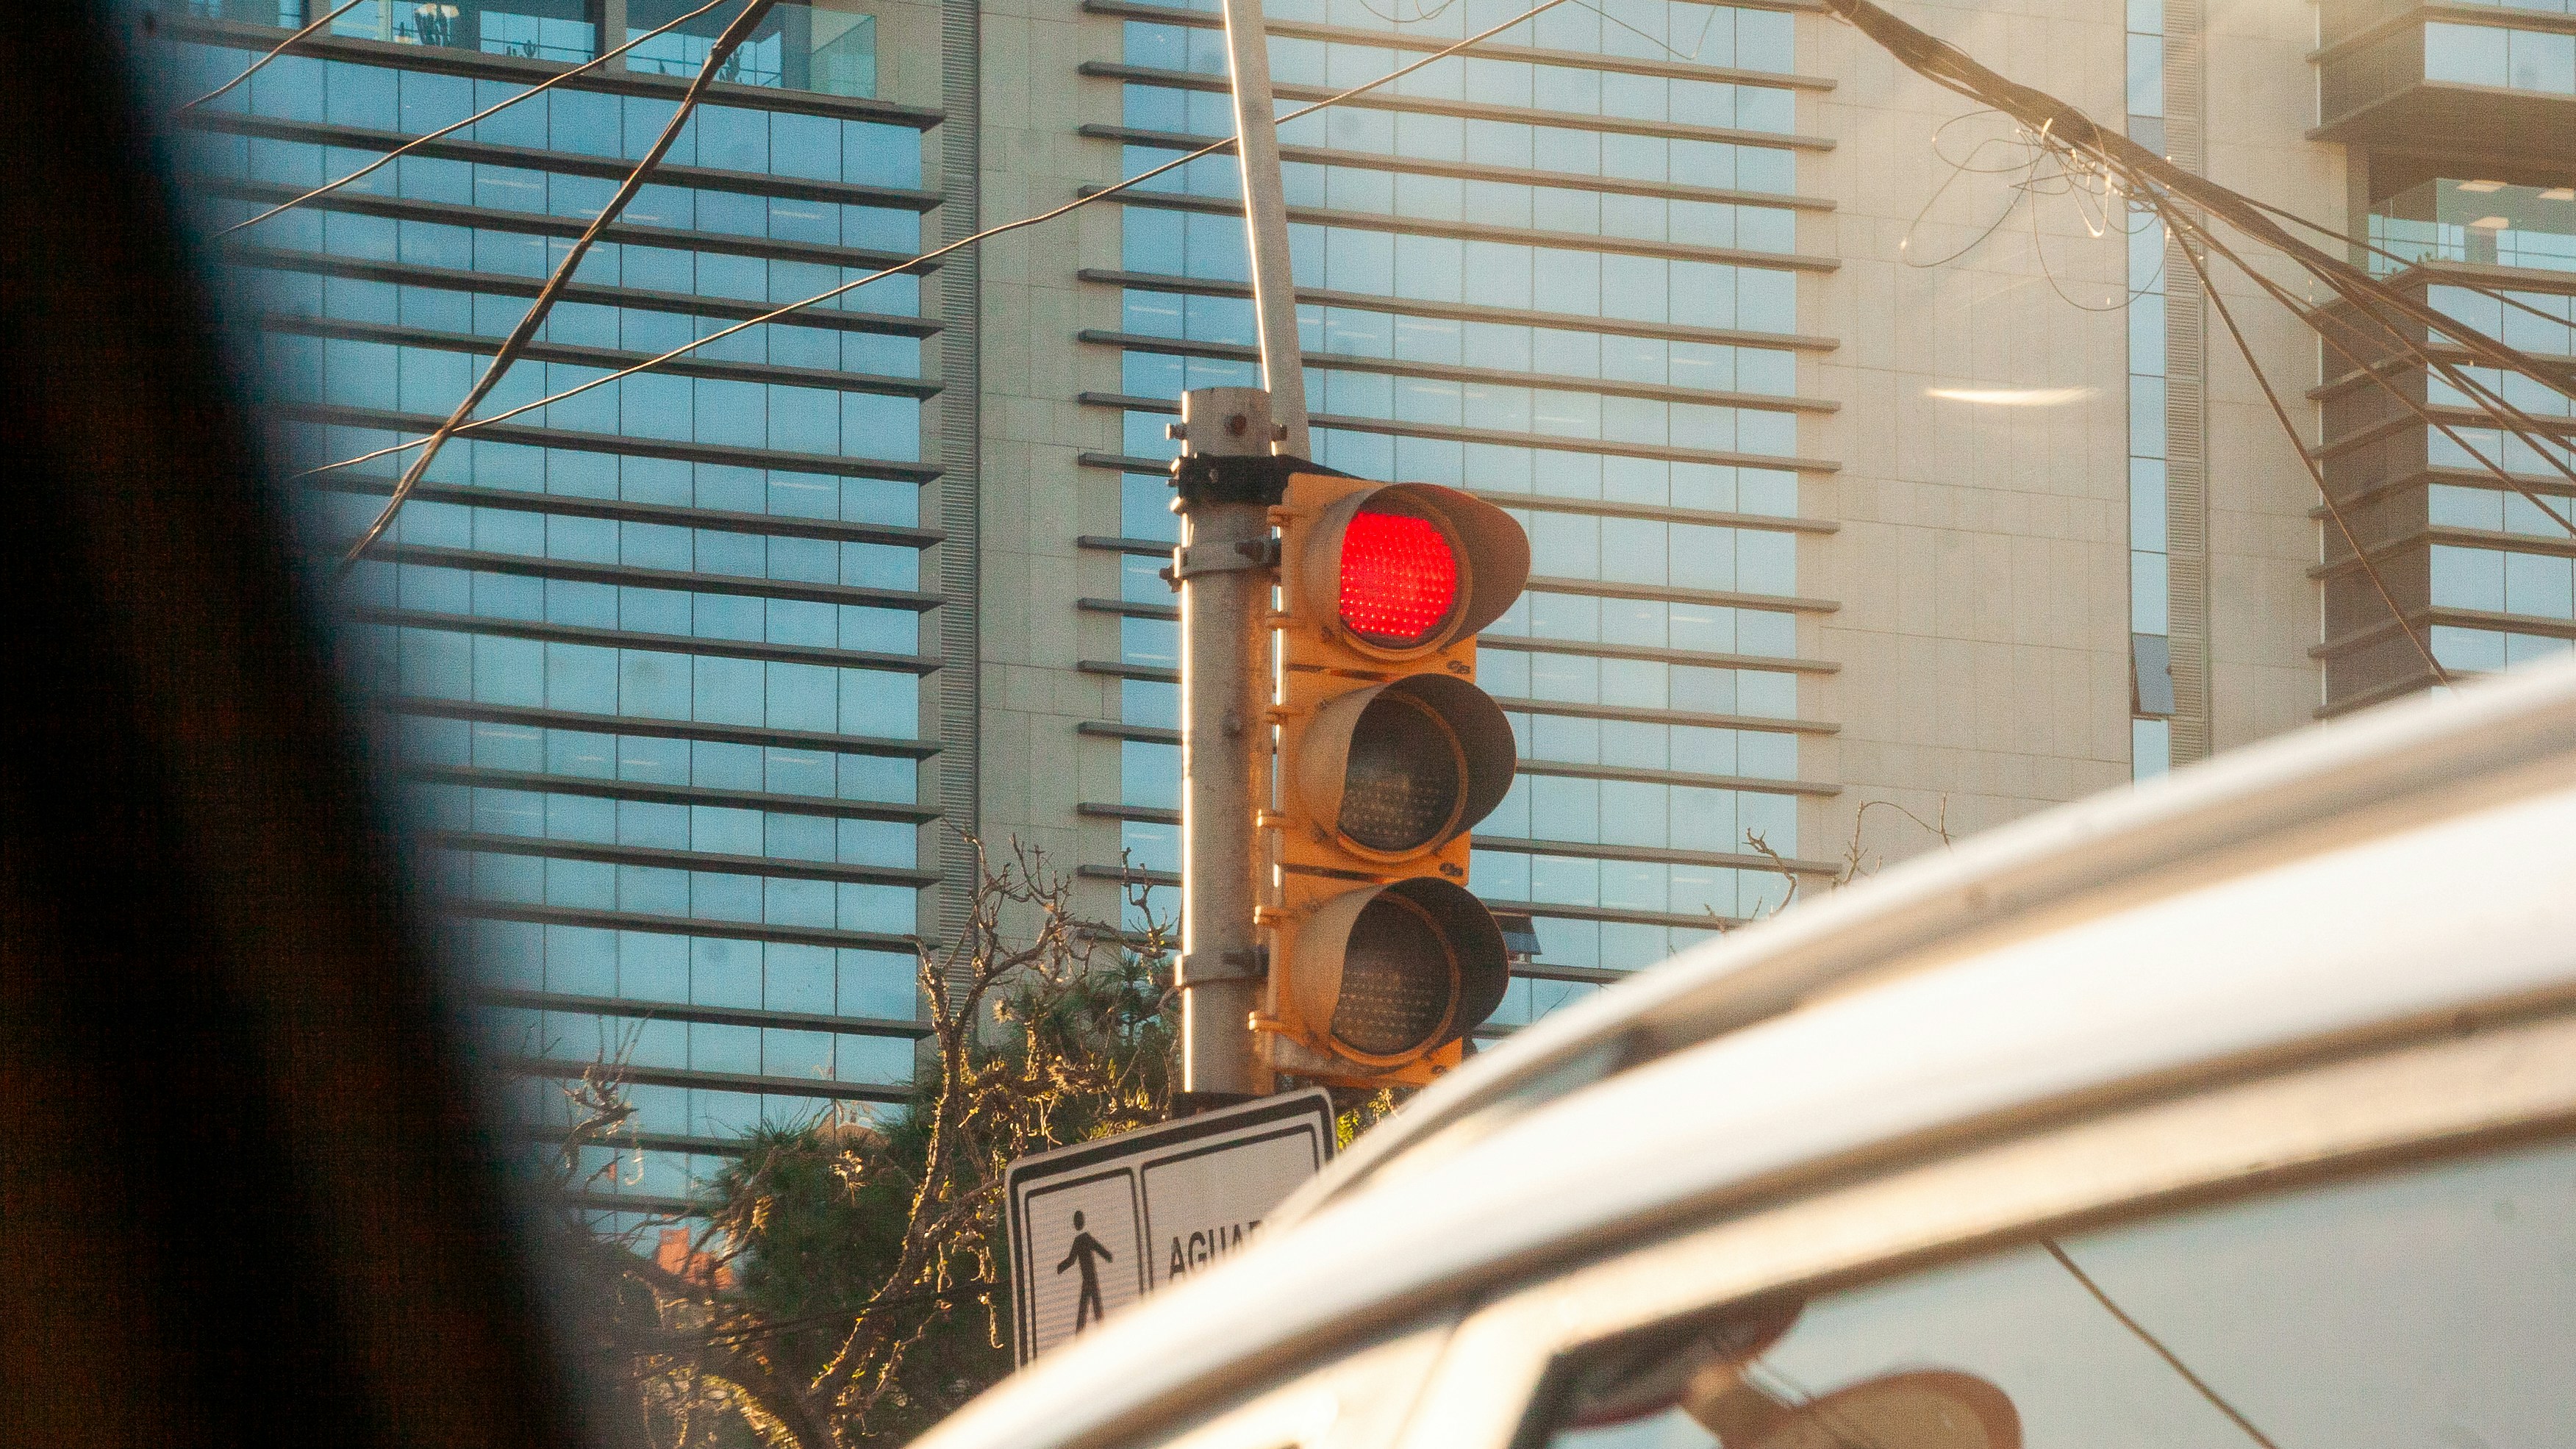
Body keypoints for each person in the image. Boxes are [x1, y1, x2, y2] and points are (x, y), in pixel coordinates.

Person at [1057, 1210, 1115, 1332]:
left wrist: (1060, 1268)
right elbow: (1099, 1249)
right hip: (1090, 1279)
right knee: (1092, 1307)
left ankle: (1083, 1333)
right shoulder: (1084, 1239)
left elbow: (1071, 1260)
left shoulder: (1080, 1240)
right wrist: (1108, 1256)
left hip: (1088, 1279)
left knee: (1088, 1309)